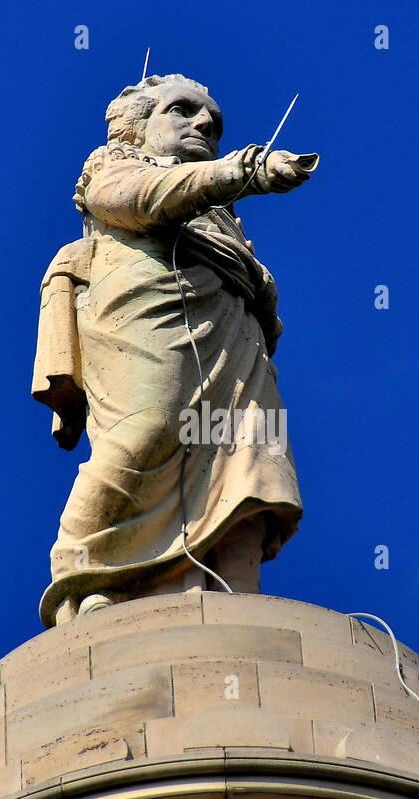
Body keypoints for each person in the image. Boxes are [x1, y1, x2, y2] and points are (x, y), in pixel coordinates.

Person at [32, 73, 317, 628]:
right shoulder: (116, 170)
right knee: (147, 431)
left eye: (212, 117)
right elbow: (142, 200)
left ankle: (236, 595)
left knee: (250, 459)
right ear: (136, 129)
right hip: (149, 310)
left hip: (231, 336)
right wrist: (244, 170)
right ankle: (84, 575)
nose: (204, 123)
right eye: (182, 111)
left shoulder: (220, 213)